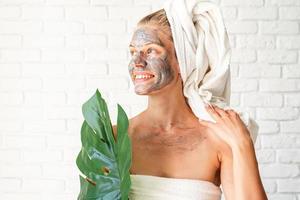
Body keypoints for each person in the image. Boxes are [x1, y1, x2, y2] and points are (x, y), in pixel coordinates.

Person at [112, 0, 267, 199]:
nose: (136, 62)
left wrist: (243, 144)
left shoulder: (219, 138)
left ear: (182, 60)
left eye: (151, 50)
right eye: (133, 52)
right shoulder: (113, 137)